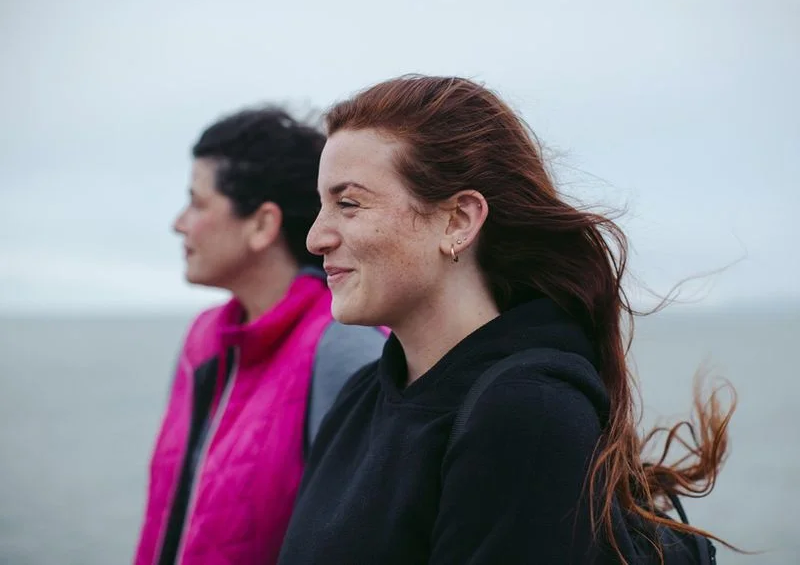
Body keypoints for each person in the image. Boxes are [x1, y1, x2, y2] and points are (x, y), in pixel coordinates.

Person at [277, 75, 735, 565]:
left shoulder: (527, 414)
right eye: (322, 205)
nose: (315, 238)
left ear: (458, 220)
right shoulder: (360, 396)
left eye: (348, 204)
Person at [133, 107, 385, 565]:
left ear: (263, 225)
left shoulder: (342, 347)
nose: (179, 223)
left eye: (198, 203)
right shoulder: (203, 340)